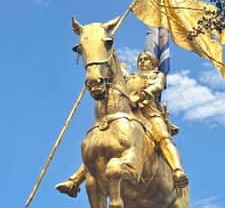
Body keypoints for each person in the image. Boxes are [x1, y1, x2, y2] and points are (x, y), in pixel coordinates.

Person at [56, 52, 188, 197]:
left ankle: (177, 171)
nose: (142, 62)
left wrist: (142, 95)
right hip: (129, 115)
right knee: (102, 145)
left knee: (163, 138)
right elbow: (116, 75)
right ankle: (75, 181)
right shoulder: (131, 77)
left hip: (150, 114)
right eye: (140, 59)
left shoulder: (157, 75)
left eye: (146, 59)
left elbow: (157, 87)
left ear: (154, 63)